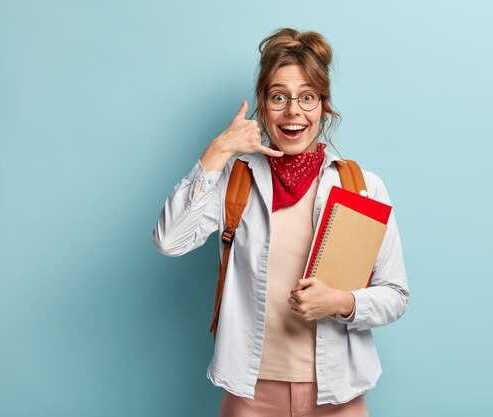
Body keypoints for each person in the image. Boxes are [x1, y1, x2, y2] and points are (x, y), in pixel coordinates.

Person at [151, 27, 409, 417]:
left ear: (324, 106)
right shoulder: (233, 183)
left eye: (307, 97)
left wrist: (340, 302)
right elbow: (169, 240)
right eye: (279, 97)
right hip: (250, 396)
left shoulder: (361, 187)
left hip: (337, 394)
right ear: (262, 104)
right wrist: (219, 149)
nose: (293, 111)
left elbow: (395, 294)